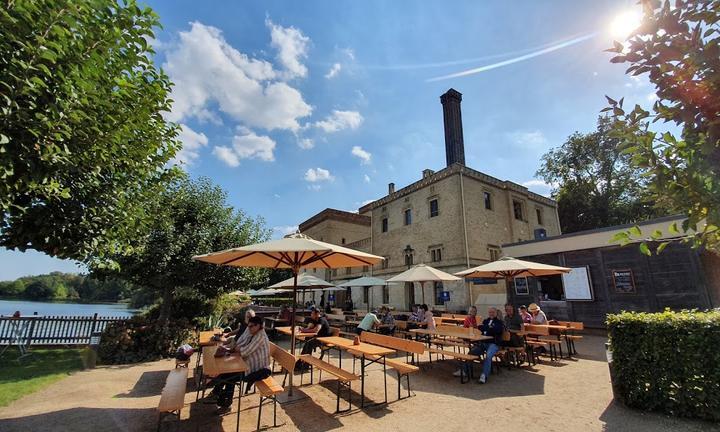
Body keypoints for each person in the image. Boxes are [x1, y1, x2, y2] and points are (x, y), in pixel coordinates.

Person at [211, 316, 270, 413]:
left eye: (251, 326)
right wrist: (231, 348)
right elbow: (240, 343)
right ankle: (217, 393)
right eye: (248, 326)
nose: (249, 328)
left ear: (258, 326)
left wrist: (235, 349)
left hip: (259, 370)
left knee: (231, 376)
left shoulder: (260, 337)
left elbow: (245, 351)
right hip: (248, 364)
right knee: (227, 372)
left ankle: (226, 404)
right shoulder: (252, 332)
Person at [454, 307, 503, 383]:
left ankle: (484, 375)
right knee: (471, 353)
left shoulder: (499, 322)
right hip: (483, 343)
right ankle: (464, 371)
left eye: (493, 312)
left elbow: (497, 330)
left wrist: (486, 328)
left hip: (493, 344)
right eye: (490, 312)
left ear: (496, 313)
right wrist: (488, 328)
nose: (491, 314)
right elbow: (480, 328)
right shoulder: (486, 321)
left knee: (488, 356)